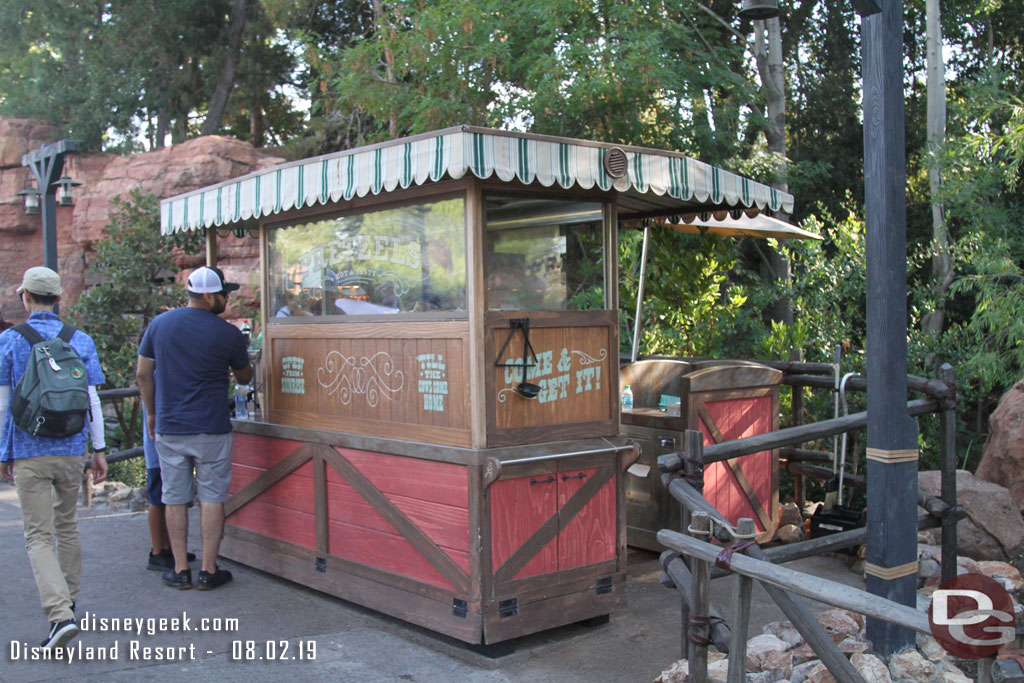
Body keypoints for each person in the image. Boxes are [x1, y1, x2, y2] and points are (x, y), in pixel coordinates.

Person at [0, 266, 108, 650]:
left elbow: (3, 403)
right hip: (70, 449)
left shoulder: (10, 341)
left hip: (30, 450)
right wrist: (98, 449)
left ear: (25, 297)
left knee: (38, 536)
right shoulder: (80, 339)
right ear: (59, 299)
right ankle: (70, 604)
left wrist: (3, 452)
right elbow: (92, 399)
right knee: (67, 528)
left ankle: (59, 616)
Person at [137, 266, 252, 591]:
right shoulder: (227, 333)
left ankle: (179, 570)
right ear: (208, 296)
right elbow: (244, 378)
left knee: (175, 498)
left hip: (171, 426)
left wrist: (151, 413)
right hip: (211, 427)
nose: (227, 300)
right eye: (224, 294)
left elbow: (143, 373)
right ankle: (207, 570)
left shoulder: (159, 325)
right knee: (212, 497)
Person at [142, 402, 196, 571]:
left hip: (166, 443)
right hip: (157, 448)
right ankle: (157, 551)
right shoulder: (152, 386)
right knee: (157, 499)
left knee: (169, 500)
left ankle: (169, 549)